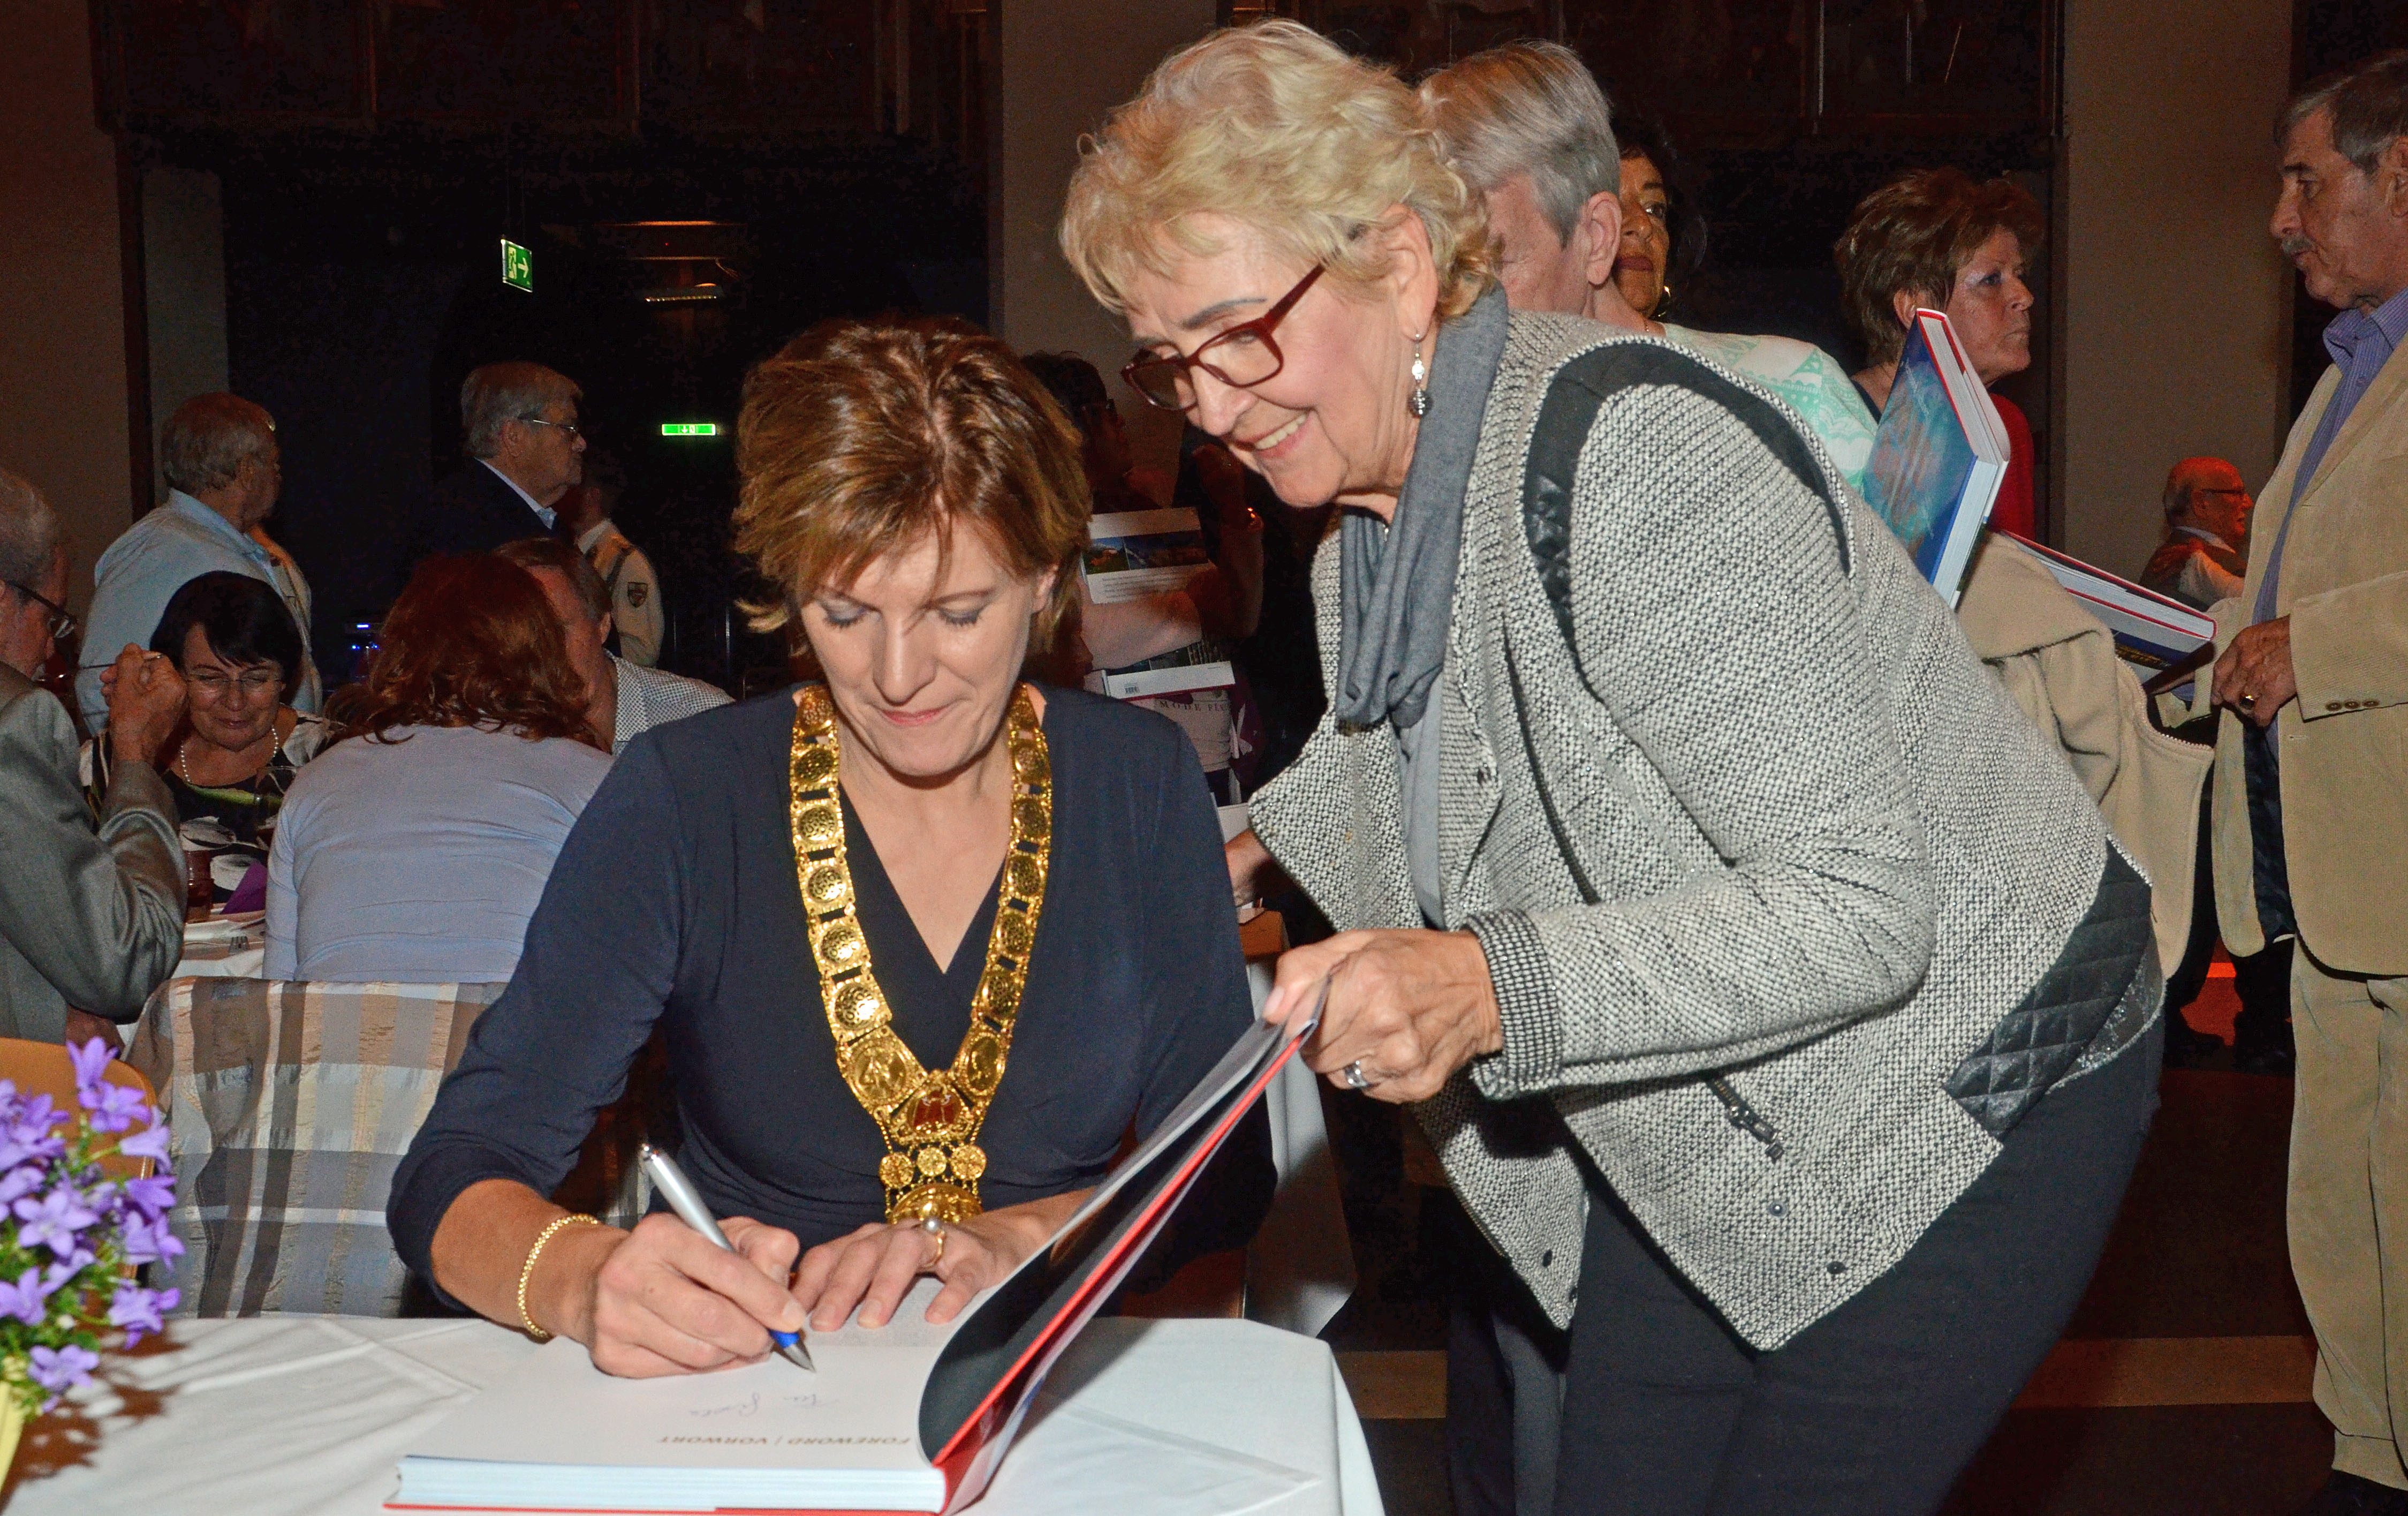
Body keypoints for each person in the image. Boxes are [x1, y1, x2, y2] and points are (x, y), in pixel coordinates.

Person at [1062, 21, 2160, 1513]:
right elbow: (1482, 774)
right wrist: (1251, 852)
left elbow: (1862, 904)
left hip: (1963, 1085)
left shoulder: (1631, 450)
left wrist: (1489, 985)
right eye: (1169, 358)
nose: (1205, 400)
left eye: (1239, 331)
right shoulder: (1359, 550)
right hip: (1697, 1094)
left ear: (1395, 258)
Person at [385, 316, 1271, 1378]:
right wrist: (581, 1276)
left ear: (1044, 580)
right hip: (756, 1393)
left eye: (956, 611)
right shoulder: (688, 795)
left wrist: (1023, 1236)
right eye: (845, 612)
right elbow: (451, 1173)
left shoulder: (1137, 781)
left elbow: (1220, 1174)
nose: (899, 676)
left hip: (1048, 1382)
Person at [2210, 54, 2408, 1515]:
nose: (2283, 217)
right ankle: (2369, 1461)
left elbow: (2334, 613)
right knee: (2344, 1219)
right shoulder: (2352, 371)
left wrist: (2309, 642)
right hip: (2339, 882)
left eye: (2306, 179)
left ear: (2398, 176)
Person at [1420, 43, 1879, 493]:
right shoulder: (1435, 429)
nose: (1451, 302)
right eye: (1439, 271)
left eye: (1492, 262)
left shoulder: (1796, 392)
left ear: (1597, 237)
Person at [264, 555, 612, 984]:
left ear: (399, 651)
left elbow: (277, 992)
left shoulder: (315, 782)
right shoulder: (595, 781)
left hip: (344, 1046)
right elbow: (628, 977)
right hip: (508, 1047)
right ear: (542, 653)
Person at [1023, 351, 1266, 796]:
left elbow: (1241, 615)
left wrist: (1235, 510)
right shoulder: (1034, 526)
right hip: (1110, 762)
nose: (1119, 425)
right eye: (1102, 412)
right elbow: (1080, 641)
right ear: (1068, 428)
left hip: (1201, 755)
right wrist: (1192, 606)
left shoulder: (1146, 502)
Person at [0, 467, 187, 1046]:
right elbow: (123, 958)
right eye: (49, 614)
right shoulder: (14, 718)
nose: (51, 647)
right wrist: (133, 756)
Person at [78, 393, 322, 731]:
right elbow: (101, 686)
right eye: (274, 463)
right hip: (208, 780)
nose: (279, 478)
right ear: (248, 471)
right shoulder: (159, 549)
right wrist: (165, 774)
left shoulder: (224, 545)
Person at [1835, 167, 2043, 538]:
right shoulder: (1837, 423)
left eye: (2020, 275)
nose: (2024, 297)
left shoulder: (2006, 426)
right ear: (1916, 309)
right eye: (1991, 280)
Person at [80, 571, 330, 851]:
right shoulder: (113, 761)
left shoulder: (330, 757)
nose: (235, 701)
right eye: (210, 679)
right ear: (174, 675)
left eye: (256, 678)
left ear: (284, 679)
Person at [494, 537, 729, 755]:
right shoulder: (493, 735)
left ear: (602, 625)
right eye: (517, 638)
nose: (541, 652)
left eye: (557, 631)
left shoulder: (698, 718)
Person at [408, 363, 586, 571]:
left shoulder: (532, 523)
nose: (581, 443)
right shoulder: (462, 529)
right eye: (568, 428)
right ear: (514, 436)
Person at [554, 450, 666, 669]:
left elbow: (641, 653)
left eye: (571, 490)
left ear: (591, 497)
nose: (562, 496)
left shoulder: (624, 563)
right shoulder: (570, 552)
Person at [2141, 457, 2253, 610]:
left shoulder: (2163, 560)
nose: (2248, 503)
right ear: (2201, 503)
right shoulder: (2223, 565)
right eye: (2237, 493)